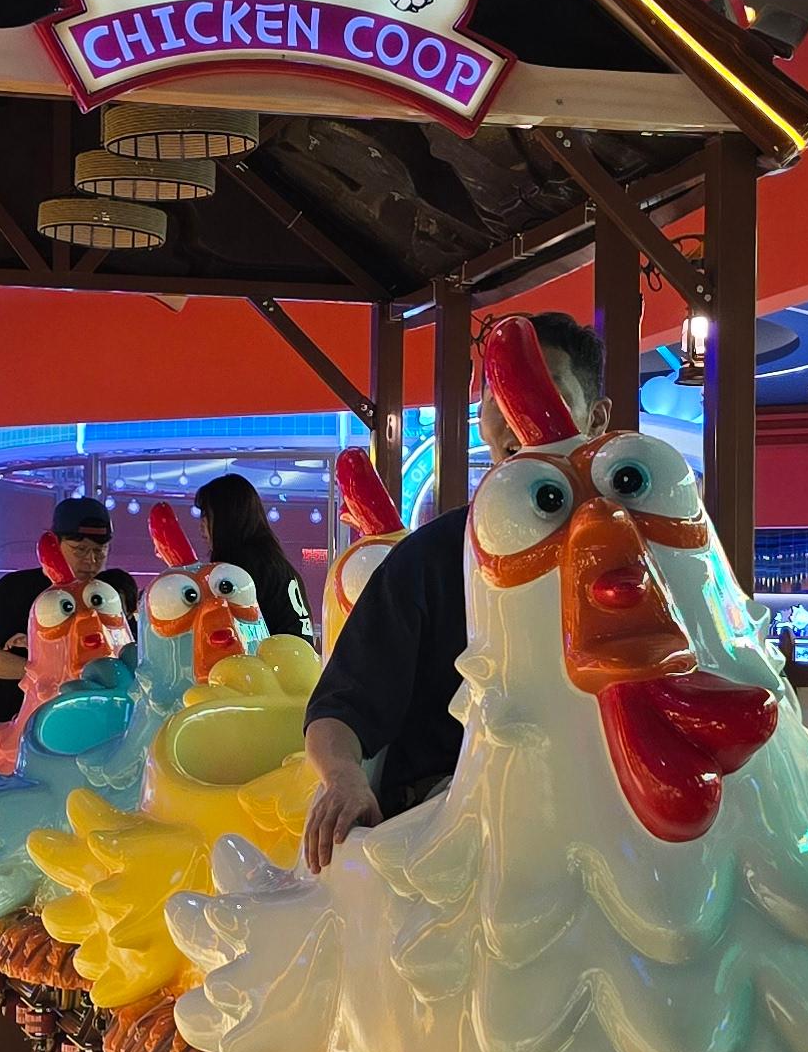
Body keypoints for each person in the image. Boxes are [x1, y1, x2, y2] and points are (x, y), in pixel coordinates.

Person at [303, 311, 604, 870]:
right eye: (499, 398)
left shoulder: (627, 552)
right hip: (449, 818)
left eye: (549, 394)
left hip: (598, 814)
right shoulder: (431, 556)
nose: (518, 416)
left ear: (597, 417)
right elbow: (340, 707)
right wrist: (343, 778)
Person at [0, 495, 112, 735]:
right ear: (55, 544)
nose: (91, 560)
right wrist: (45, 672)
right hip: (11, 720)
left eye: (100, 551)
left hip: (89, 717)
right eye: (80, 550)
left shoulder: (105, 597)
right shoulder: (17, 588)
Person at [194, 471, 311, 641]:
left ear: (227, 517)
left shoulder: (240, 569)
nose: (201, 525)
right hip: (295, 655)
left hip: (271, 656)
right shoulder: (271, 560)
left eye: (206, 514)